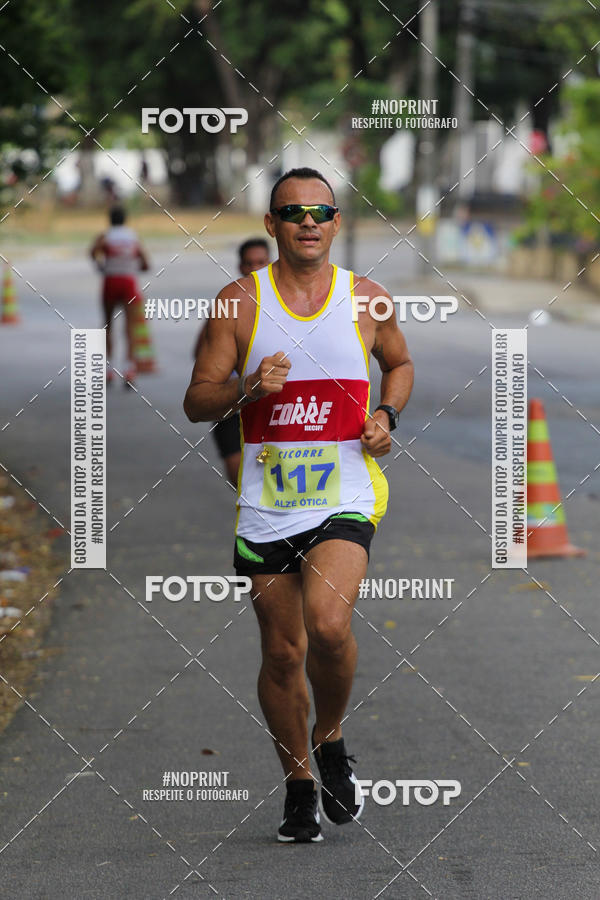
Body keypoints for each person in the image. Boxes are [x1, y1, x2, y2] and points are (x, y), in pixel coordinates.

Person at [184, 167, 413, 843]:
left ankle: (332, 735)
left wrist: (387, 414)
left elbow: (398, 363)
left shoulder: (367, 299)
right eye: (292, 211)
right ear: (272, 225)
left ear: (336, 223)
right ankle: (299, 783)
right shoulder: (238, 305)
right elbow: (197, 400)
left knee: (329, 625)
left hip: (346, 493)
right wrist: (247, 389)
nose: (307, 221)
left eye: (320, 210)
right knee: (283, 654)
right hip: (267, 504)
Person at [193, 239, 270, 485]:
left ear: (271, 263)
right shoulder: (228, 305)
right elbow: (200, 353)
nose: (255, 268)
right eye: (249, 263)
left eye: (261, 262)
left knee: (267, 470)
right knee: (237, 474)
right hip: (232, 399)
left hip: (269, 403)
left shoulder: (284, 307)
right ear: (240, 266)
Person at [90, 207, 150, 387]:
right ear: (125, 219)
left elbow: (92, 252)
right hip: (128, 282)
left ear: (110, 220)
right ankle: (129, 370)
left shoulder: (105, 236)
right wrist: (131, 267)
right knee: (130, 327)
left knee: (108, 324)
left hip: (110, 281)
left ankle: (108, 370)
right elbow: (146, 263)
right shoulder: (133, 237)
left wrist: (102, 267)